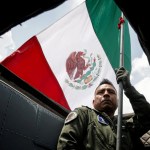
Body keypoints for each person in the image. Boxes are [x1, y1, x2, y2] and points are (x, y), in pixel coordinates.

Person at [57, 66, 150, 150]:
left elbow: (147, 117)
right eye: (101, 92)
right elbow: (66, 145)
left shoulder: (126, 126)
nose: (106, 94)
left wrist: (128, 88)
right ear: (93, 102)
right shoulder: (84, 114)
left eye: (111, 92)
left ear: (118, 103)